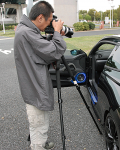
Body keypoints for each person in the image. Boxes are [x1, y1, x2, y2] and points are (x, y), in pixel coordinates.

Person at [14, 1, 66, 150]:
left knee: (37, 123)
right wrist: (56, 33)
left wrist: (54, 35)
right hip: (35, 88)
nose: (50, 24)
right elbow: (53, 52)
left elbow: (39, 50)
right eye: (50, 20)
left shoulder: (25, 30)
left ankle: (40, 142)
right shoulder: (27, 32)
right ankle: (38, 145)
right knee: (39, 125)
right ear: (41, 17)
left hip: (32, 85)